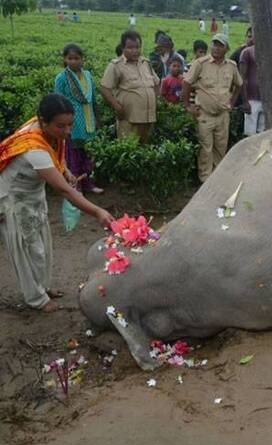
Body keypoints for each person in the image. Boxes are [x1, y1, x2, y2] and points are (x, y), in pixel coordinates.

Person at [0, 94, 114, 312]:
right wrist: (98, 212)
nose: (67, 131)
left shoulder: (45, 133)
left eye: (70, 125)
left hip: (32, 194)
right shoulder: (33, 146)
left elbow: (55, 160)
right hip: (13, 199)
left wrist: (66, 171)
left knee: (41, 245)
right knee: (26, 250)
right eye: (60, 126)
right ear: (43, 121)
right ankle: (36, 299)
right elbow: (63, 190)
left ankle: (44, 287)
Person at [183, 34, 242, 183]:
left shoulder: (231, 66)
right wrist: (188, 106)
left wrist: (232, 103)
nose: (216, 48)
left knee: (220, 148)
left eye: (220, 45)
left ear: (226, 49)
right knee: (205, 149)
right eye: (214, 44)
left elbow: (239, 85)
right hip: (204, 114)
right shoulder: (200, 64)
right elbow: (186, 83)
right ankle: (205, 181)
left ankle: (217, 180)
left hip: (223, 115)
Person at [53, 44, 103, 194]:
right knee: (73, 156)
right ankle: (76, 187)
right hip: (72, 124)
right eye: (70, 58)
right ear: (65, 59)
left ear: (82, 59)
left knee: (88, 156)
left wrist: (97, 117)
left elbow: (93, 98)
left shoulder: (87, 75)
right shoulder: (61, 78)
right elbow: (58, 101)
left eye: (76, 58)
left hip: (89, 122)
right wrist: (61, 126)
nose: (73, 61)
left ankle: (89, 183)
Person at [100, 31, 160, 144]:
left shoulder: (146, 63)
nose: (135, 51)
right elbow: (104, 88)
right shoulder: (116, 65)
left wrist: (154, 100)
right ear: (123, 48)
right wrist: (117, 107)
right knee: (129, 151)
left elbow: (156, 83)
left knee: (145, 150)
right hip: (129, 119)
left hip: (148, 118)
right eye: (130, 48)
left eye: (137, 47)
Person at [239, 39, 263, 136]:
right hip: (251, 99)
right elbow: (242, 78)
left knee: (263, 133)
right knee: (250, 134)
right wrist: (245, 101)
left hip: (266, 99)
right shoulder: (247, 52)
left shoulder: (270, 54)